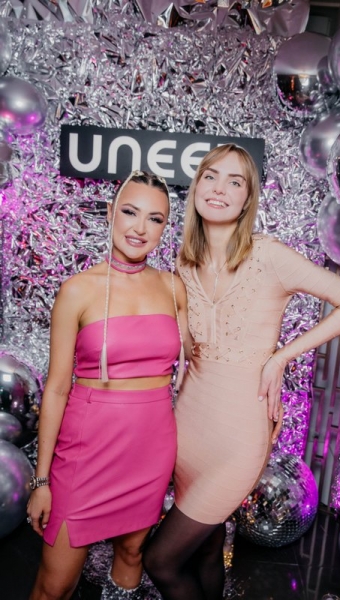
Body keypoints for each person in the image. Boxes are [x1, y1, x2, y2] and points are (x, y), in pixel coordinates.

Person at [143, 143, 340, 600]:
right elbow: (186, 348)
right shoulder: (184, 260)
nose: (219, 189)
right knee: (208, 549)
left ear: (248, 198)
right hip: (189, 423)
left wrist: (281, 357)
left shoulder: (269, 255)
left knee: (160, 561)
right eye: (211, 177)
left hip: (239, 432)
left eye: (235, 182)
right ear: (196, 186)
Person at [27, 171, 188, 600]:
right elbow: (56, 389)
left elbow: (203, 361)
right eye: (130, 212)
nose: (140, 228)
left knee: (132, 554)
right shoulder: (78, 290)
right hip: (87, 450)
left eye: (155, 219)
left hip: (150, 449)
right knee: (55, 585)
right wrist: (41, 481)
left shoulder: (174, 288)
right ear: (111, 213)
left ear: (165, 228)